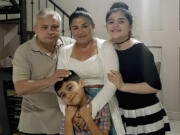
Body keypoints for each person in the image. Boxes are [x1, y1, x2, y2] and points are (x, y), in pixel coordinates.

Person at [57, 7, 125, 135]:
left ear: (93, 26)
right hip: (73, 103)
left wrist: (89, 112)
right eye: (75, 28)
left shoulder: (106, 47)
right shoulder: (64, 51)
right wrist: (69, 113)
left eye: (84, 26)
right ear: (70, 30)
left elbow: (111, 84)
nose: (80, 31)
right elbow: (59, 86)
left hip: (102, 103)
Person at [106, 2, 171, 134]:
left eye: (121, 21)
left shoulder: (140, 50)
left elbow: (155, 86)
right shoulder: (109, 48)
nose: (115, 25)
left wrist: (123, 86)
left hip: (144, 113)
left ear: (130, 26)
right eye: (111, 21)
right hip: (122, 112)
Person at [12, 8, 74, 134]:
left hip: (66, 121)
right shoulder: (23, 52)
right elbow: (20, 88)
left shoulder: (70, 44)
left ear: (60, 28)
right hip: (36, 123)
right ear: (35, 28)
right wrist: (51, 80)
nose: (50, 31)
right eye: (44, 27)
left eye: (54, 27)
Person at [54, 70, 111, 135]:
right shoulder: (67, 112)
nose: (68, 96)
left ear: (81, 83)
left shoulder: (101, 105)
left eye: (70, 88)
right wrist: (68, 119)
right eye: (63, 95)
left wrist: (88, 118)